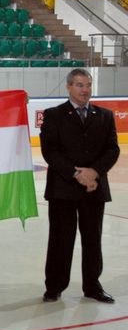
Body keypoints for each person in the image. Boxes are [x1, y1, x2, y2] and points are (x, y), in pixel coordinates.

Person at [40, 68, 119, 303]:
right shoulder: (53, 115)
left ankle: (92, 286)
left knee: (92, 240)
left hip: (94, 188)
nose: (85, 90)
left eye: (88, 85)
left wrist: (94, 172)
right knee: (60, 240)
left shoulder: (104, 115)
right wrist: (77, 174)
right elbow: (50, 151)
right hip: (63, 188)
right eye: (79, 85)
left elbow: (113, 149)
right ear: (69, 87)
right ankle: (54, 286)